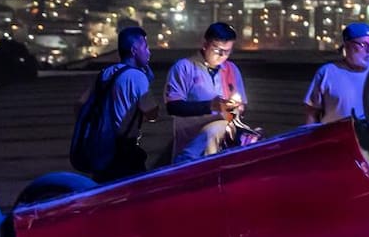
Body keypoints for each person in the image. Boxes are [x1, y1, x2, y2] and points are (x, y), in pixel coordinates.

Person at [70, 26, 158, 183]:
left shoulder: (106, 72)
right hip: (125, 152)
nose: (149, 51)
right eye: (145, 46)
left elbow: (80, 104)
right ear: (134, 50)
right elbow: (151, 113)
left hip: (101, 149)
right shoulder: (137, 76)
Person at [163, 22, 248, 163]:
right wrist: (210, 106)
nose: (222, 55)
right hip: (190, 150)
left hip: (222, 148)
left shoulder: (231, 69)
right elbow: (173, 107)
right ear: (204, 44)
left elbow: (242, 106)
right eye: (217, 49)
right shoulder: (184, 68)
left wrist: (238, 108)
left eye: (227, 51)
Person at [303, 22, 369, 124]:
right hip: (334, 139)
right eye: (363, 45)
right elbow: (312, 113)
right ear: (347, 46)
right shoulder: (327, 73)